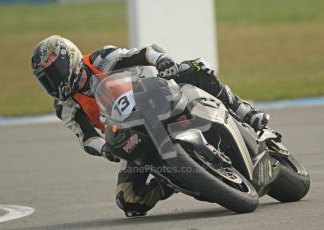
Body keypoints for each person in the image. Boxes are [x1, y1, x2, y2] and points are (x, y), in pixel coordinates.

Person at [31, 35, 269, 217]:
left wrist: (162, 60)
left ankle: (244, 111)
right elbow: (86, 137)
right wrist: (105, 148)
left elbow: (143, 53)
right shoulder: (65, 107)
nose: (53, 82)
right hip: (128, 134)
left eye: (54, 73)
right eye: (46, 80)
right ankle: (170, 182)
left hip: (154, 100)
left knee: (194, 68)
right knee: (129, 200)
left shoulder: (101, 58)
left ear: (69, 59)